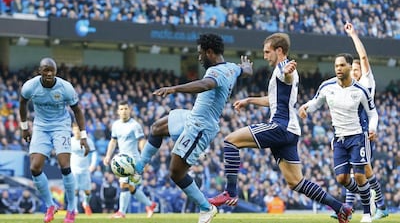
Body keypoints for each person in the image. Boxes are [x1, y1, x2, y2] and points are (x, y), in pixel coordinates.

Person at [207, 33, 353, 223]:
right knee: (296, 182)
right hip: (291, 131)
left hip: (280, 127)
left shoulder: (284, 68)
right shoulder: (280, 71)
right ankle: (341, 208)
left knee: (230, 141)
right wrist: (249, 100)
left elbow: (288, 74)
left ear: (279, 51)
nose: (265, 56)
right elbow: (273, 100)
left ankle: (230, 193)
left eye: (267, 52)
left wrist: (288, 70)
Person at [135, 33, 253, 223]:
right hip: (192, 116)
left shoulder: (217, 73)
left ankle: (207, 208)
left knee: (175, 173)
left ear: (209, 52)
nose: (199, 58)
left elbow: (205, 84)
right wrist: (246, 68)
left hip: (200, 127)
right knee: (157, 127)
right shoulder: (231, 68)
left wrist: (174, 89)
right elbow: (245, 70)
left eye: (200, 54)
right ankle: (137, 169)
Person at [299, 52, 379, 223]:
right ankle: (366, 194)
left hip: (358, 136)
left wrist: (372, 128)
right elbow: (316, 102)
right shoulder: (327, 86)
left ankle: (366, 214)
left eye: (342, 65)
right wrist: (306, 107)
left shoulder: (361, 90)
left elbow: (373, 114)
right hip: (339, 139)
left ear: (350, 67)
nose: (338, 69)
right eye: (336, 66)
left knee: (359, 176)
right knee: (342, 178)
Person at [329, 22, 389, 220]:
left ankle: (375, 205)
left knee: (362, 172)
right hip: (352, 132)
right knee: (357, 173)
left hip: (363, 132)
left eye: (356, 69)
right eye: (352, 69)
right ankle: (370, 205)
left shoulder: (366, 82)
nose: (354, 71)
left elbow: (362, 57)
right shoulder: (347, 86)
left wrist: (353, 34)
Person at [19, 57, 89, 223]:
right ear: (40, 71)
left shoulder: (65, 88)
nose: (49, 73)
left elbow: (77, 111)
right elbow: (22, 103)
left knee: (64, 166)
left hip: (61, 126)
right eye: (46, 70)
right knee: (35, 168)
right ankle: (50, 205)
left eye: (52, 70)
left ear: (56, 72)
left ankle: (72, 208)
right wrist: (24, 127)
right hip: (41, 127)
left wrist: (83, 136)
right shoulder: (30, 86)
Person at [103, 101, 157, 218]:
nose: (124, 111)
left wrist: (144, 159)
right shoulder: (116, 125)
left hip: (133, 161)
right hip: (122, 160)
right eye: (121, 109)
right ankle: (150, 204)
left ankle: (121, 212)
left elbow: (141, 141)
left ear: (130, 110)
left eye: (126, 108)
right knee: (131, 187)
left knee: (124, 185)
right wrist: (108, 155)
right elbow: (113, 141)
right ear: (118, 111)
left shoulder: (135, 125)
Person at [70, 122, 98, 215]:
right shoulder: (70, 141)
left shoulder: (88, 141)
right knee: (75, 190)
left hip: (85, 169)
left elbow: (94, 153)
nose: (77, 131)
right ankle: (75, 210)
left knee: (87, 191)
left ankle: (85, 203)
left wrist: (93, 164)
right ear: (72, 130)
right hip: (74, 169)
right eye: (75, 129)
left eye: (79, 129)